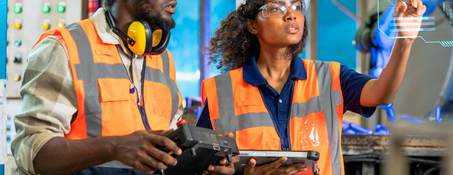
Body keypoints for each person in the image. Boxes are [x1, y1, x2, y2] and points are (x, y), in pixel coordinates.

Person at [197, 0, 426, 174]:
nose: (291, 15)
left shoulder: (330, 76)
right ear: (253, 25)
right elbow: (201, 167)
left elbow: (381, 94)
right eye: (277, 7)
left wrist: (404, 42)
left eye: (297, 6)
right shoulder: (223, 90)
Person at [11, 0, 234, 174]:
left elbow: (165, 156)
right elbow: (31, 151)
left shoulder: (164, 59)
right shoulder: (65, 48)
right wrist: (114, 147)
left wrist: (201, 162)